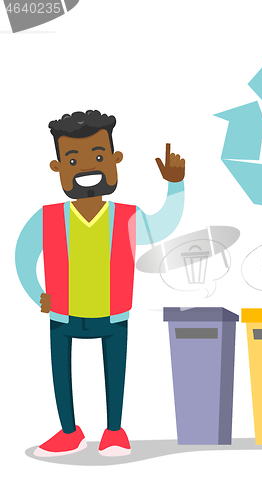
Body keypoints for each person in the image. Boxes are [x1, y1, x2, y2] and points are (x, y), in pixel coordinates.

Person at [15, 110, 186, 457]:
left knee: (115, 371)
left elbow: (162, 226)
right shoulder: (48, 217)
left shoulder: (126, 216)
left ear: (114, 159)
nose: (86, 167)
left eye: (97, 156)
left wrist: (175, 185)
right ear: (58, 167)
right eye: (73, 159)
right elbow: (23, 256)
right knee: (61, 372)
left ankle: (113, 430)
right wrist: (39, 296)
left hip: (113, 313)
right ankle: (69, 431)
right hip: (62, 314)